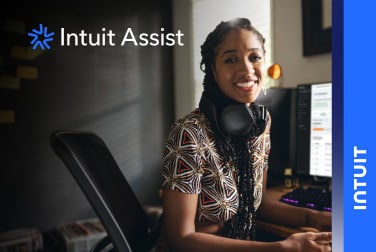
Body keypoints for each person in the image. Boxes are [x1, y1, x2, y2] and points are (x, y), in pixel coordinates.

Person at [158, 18, 332, 252]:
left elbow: (255, 205)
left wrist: (315, 218)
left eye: (254, 57)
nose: (247, 70)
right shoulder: (188, 133)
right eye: (231, 59)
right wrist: (280, 248)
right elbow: (181, 238)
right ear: (212, 68)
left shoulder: (260, 123)